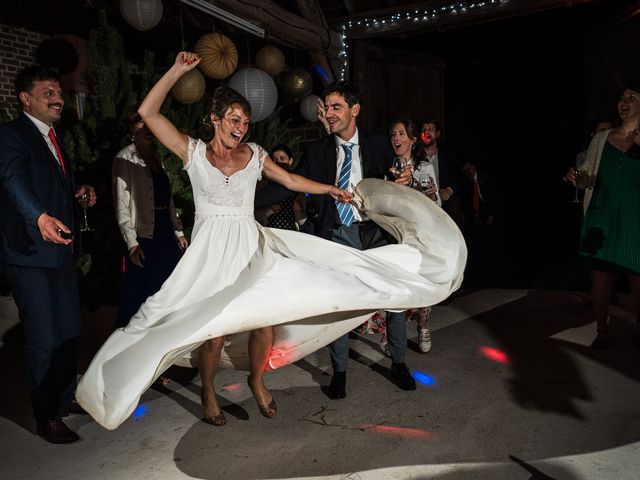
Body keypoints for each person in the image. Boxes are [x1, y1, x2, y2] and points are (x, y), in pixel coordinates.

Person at [258, 82, 418, 399]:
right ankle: (340, 371)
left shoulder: (377, 144)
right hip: (336, 236)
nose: (328, 114)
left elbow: (398, 173)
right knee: (339, 305)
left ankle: (398, 362)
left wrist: (405, 177)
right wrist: (247, 197)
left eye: (336, 107)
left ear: (354, 110)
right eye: (327, 108)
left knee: (395, 300)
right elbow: (289, 185)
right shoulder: (317, 151)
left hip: (376, 232)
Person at [0, 65, 97, 443]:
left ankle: (63, 398)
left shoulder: (53, 138)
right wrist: (39, 217)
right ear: (26, 99)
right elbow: (13, 181)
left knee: (69, 329)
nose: (59, 99)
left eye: (59, 93)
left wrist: (78, 192)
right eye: (49, 94)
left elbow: (51, 184)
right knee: (43, 335)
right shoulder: (11, 136)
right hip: (28, 254)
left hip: (59, 251)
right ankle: (46, 416)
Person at [564, 81, 640, 350]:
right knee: (601, 276)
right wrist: (578, 177)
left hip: (634, 216)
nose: (624, 101)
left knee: (636, 274)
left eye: (631, 97)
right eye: (621, 97)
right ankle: (602, 330)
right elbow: (587, 176)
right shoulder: (601, 139)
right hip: (601, 213)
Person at [112, 109, 189, 329]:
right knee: (141, 295)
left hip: (165, 232)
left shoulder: (156, 156)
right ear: (131, 130)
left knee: (168, 289)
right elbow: (122, 204)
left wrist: (178, 231)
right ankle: (131, 344)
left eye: (149, 124)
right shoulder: (124, 158)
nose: (146, 129)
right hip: (144, 235)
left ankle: (161, 340)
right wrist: (132, 243)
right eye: (140, 124)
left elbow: (168, 198)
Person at [459, 159, 497, 286]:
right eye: (465, 171)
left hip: (487, 210)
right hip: (475, 215)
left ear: (474, 167)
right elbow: (466, 202)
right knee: (476, 243)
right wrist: (472, 216)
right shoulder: (466, 183)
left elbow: (492, 196)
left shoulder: (485, 177)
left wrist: (491, 213)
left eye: (469, 169)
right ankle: (478, 275)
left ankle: (491, 271)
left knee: (489, 242)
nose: (468, 173)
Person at [420, 119, 463, 227]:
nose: (427, 132)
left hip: (445, 201)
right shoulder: (417, 155)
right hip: (425, 201)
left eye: (430, 129)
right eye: (424, 130)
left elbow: (456, 176)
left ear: (437, 134)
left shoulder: (447, 154)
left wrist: (449, 190)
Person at [261, 145, 306, 231]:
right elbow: (255, 214)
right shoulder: (265, 183)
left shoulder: (297, 184)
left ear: (290, 161)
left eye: (282, 158)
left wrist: (298, 211)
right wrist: (269, 210)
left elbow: (302, 221)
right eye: (274, 159)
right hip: (269, 233)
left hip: (290, 235)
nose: (278, 162)